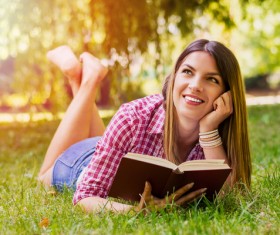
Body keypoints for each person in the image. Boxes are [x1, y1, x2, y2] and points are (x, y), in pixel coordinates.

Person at [38, 39, 251, 213]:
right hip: (81, 163)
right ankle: (87, 80)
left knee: (106, 146)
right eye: (187, 72)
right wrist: (139, 212)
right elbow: (84, 197)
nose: (195, 86)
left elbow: (228, 198)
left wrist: (209, 131)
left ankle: (79, 77)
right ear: (174, 77)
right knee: (42, 178)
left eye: (211, 79)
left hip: (111, 152)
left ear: (226, 94)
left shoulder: (221, 130)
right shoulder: (133, 117)